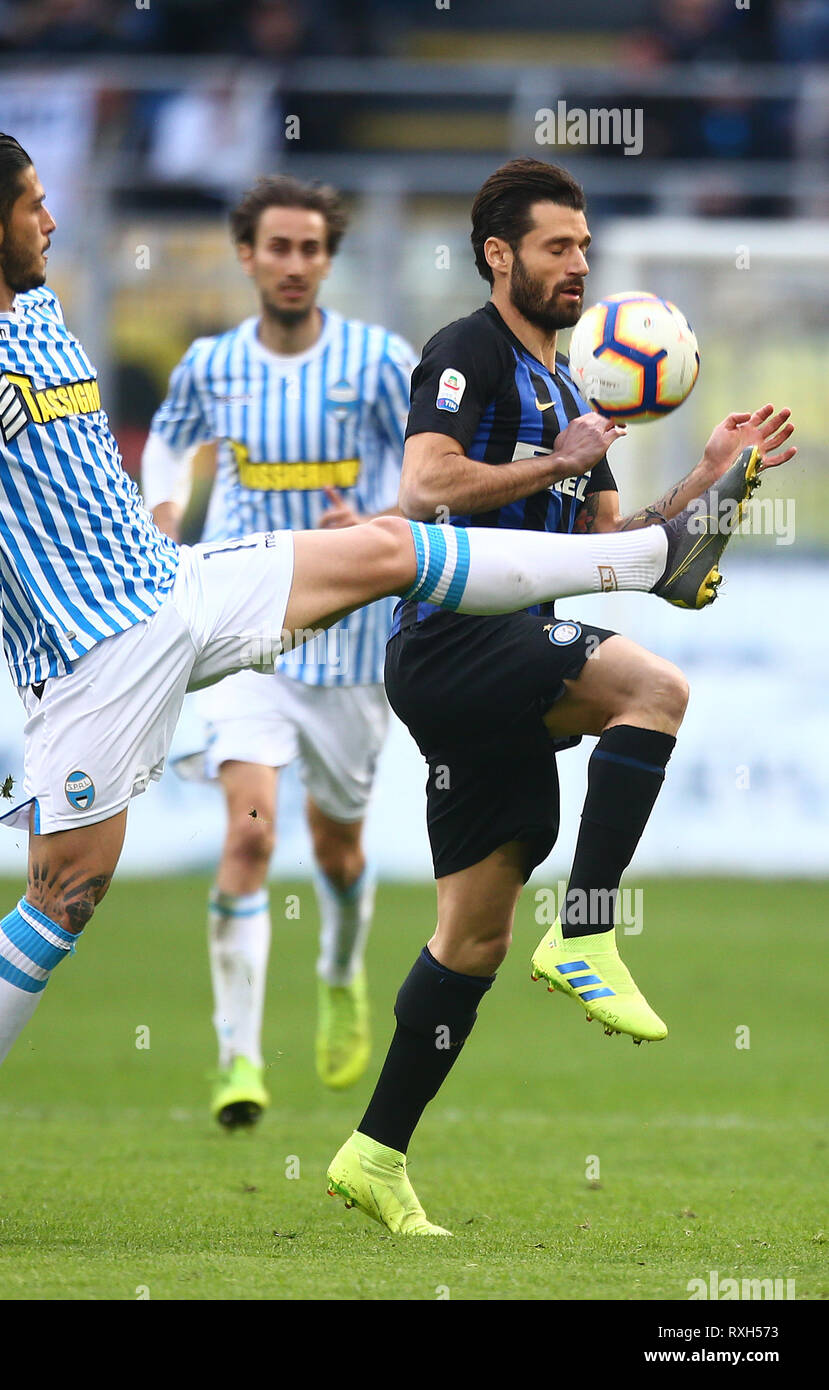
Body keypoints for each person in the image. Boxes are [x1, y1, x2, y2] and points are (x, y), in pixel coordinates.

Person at [0, 135, 757, 1242]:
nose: (55, 220)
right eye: (38, 206)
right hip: (89, 649)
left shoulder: (41, 311)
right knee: (65, 896)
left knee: (389, 547)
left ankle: (646, 561)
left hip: (178, 585)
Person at [326, 157, 795, 1237]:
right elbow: (426, 486)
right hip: (454, 638)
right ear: (499, 255)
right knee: (653, 688)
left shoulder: (572, 387)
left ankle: (373, 1154)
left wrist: (714, 480)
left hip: (511, 649)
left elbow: (641, 558)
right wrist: (555, 461)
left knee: (471, 937)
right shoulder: (467, 351)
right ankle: (586, 931)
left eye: (583, 246)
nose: (576, 263)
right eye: (555, 246)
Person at [143, 175, 416, 1123]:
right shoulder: (213, 365)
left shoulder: (381, 362)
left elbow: (433, 470)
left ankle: (340, 971)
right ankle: (237, 1062)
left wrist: (378, 518)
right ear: (248, 256)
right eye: (278, 247)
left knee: (337, 851)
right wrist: (167, 523)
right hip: (246, 635)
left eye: (310, 249)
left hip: (350, 649)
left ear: (327, 259)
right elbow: (169, 446)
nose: (294, 264)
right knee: (248, 835)